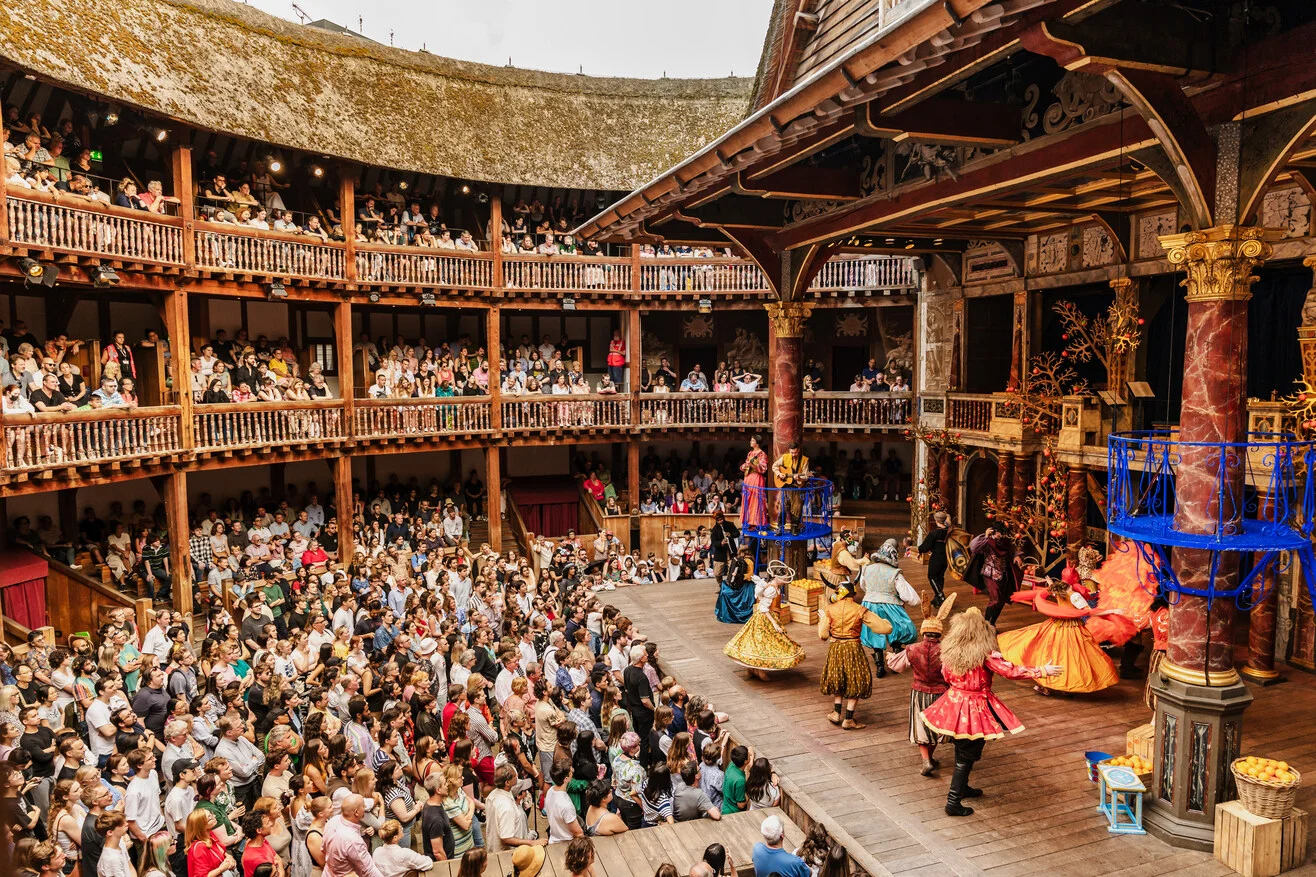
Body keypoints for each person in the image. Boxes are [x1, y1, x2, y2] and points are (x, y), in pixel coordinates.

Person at [920, 607, 1061, 816]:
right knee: (969, 752)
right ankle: (953, 801)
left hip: (954, 702)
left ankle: (963, 788)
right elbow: (1010, 670)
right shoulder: (985, 654)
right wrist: (1042, 671)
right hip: (974, 706)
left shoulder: (948, 650)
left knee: (963, 747)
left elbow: (945, 677)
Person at [996, 570, 1121, 696]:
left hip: (1055, 626)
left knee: (1050, 654)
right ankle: (1065, 686)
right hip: (1071, 629)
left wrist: (1050, 581)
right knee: (1071, 657)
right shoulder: (1074, 595)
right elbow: (1090, 612)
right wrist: (1112, 610)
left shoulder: (1058, 588)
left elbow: (1051, 589)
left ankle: (1047, 684)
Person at [887, 595, 956, 776]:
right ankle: (930, 758)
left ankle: (926, 760)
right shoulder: (946, 651)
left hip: (919, 692)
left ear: (924, 632)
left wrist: (889, 657)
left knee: (920, 725)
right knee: (935, 726)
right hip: (941, 694)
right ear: (939, 633)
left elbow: (896, 665)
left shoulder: (912, 649)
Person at [818, 583, 892, 730]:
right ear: (853, 594)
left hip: (836, 648)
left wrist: (822, 619)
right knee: (855, 680)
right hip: (853, 648)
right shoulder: (860, 610)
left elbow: (823, 635)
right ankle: (848, 719)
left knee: (837, 677)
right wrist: (885, 621)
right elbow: (885, 628)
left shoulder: (830, 609)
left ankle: (836, 713)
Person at [721, 560, 805, 682]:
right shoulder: (770, 589)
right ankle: (758, 670)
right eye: (783, 577)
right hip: (764, 618)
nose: (785, 580)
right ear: (776, 577)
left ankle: (752, 669)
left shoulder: (775, 588)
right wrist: (774, 624)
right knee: (761, 643)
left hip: (771, 615)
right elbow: (763, 608)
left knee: (766, 643)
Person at [857, 539, 919, 678]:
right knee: (899, 629)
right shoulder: (895, 573)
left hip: (870, 604)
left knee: (874, 632)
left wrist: (873, 593)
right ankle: (895, 659)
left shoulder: (867, 569)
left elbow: (863, 586)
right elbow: (909, 596)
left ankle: (879, 665)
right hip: (891, 604)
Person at [965, 528, 1018, 626]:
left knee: (1001, 601)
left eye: (1001, 533)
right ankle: (985, 624)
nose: (999, 535)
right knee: (995, 600)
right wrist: (985, 536)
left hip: (1003, 574)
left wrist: (1016, 556)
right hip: (990, 574)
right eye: (997, 532)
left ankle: (992, 623)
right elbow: (974, 547)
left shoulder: (1006, 542)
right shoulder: (988, 542)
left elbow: (1013, 550)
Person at [769, 442, 810, 534]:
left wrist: (800, 478)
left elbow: (806, 475)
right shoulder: (785, 457)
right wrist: (779, 474)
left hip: (797, 487)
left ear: (798, 450)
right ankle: (779, 528)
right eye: (792, 452)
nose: (793, 454)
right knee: (782, 506)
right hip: (786, 487)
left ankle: (794, 527)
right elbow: (774, 466)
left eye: (795, 452)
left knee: (797, 507)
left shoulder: (804, 460)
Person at [917, 511, 952, 607]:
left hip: (936, 557)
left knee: (931, 576)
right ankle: (937, 598)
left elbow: (925, 547)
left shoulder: (934, 533)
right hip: (945, 557)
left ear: (936, 520)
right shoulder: (949, 532)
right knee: (940, 576)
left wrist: (919, 550)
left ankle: (940, 597)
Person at [714, 546, 754, 625]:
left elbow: (750, 574)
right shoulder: (740, 560)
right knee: (724, 585)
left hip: (745, 584)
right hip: (739, 582)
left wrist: (738, 576)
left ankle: (727, 613)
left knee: (726, 592)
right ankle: (724, 612)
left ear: (744, 552)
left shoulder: (749, 561)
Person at [739, 437, 769, 532]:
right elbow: (745, 464)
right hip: (748, 477)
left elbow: (763, 469)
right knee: (747, 499)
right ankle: (748, 521)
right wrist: (745, 466)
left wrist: (753, 465)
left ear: (757, 443)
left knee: (756, 499)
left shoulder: (762, 454)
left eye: (752, 440)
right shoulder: (750, 453)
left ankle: (757, 522)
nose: (750, 442)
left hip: (756, 477)